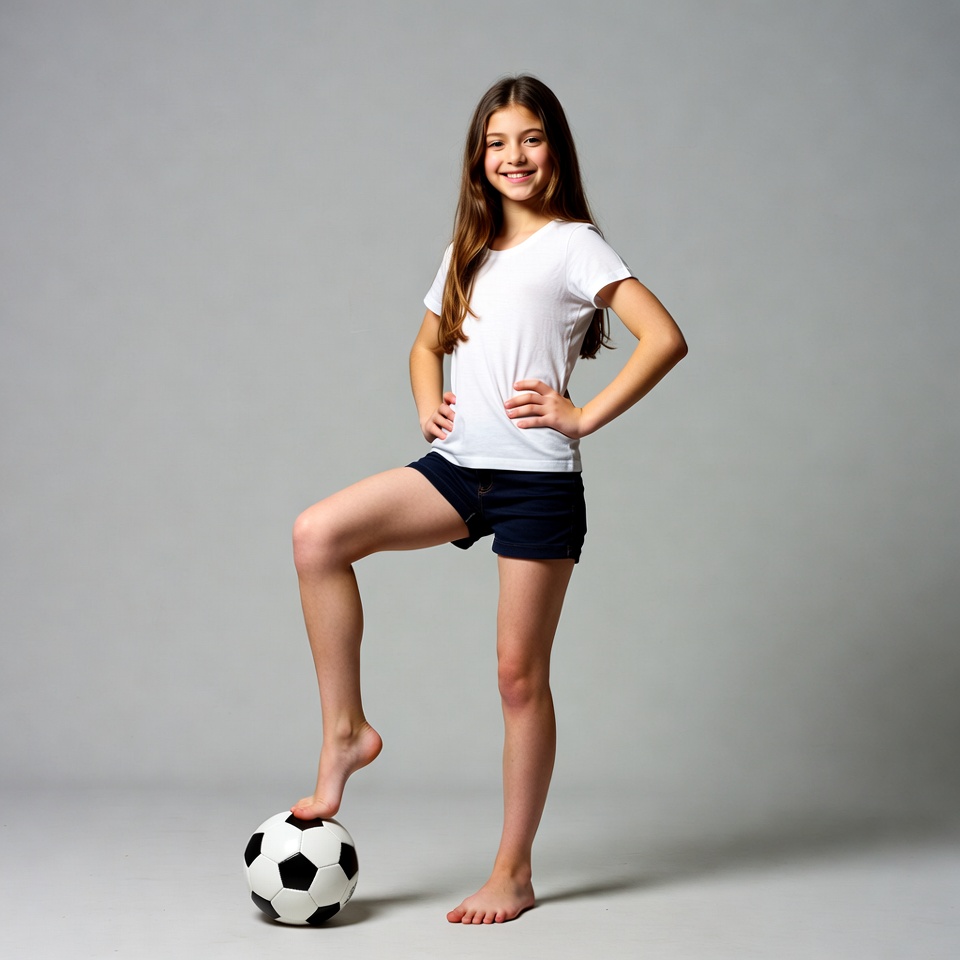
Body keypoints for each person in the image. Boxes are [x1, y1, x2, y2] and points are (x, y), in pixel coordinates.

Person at [289, 74, 687, 924]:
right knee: (318, 536)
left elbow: (666, 337)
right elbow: (424, 343)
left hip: (538, 480)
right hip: (459, 468)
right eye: (499, 142)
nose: (515, 156)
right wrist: (425, 396)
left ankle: (513, 870)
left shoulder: (576, 244)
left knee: (517, 678)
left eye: (532, 139)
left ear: (556, 150)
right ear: (479, 157)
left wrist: (582, 415)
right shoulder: (467, 250)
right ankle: (346, 733)